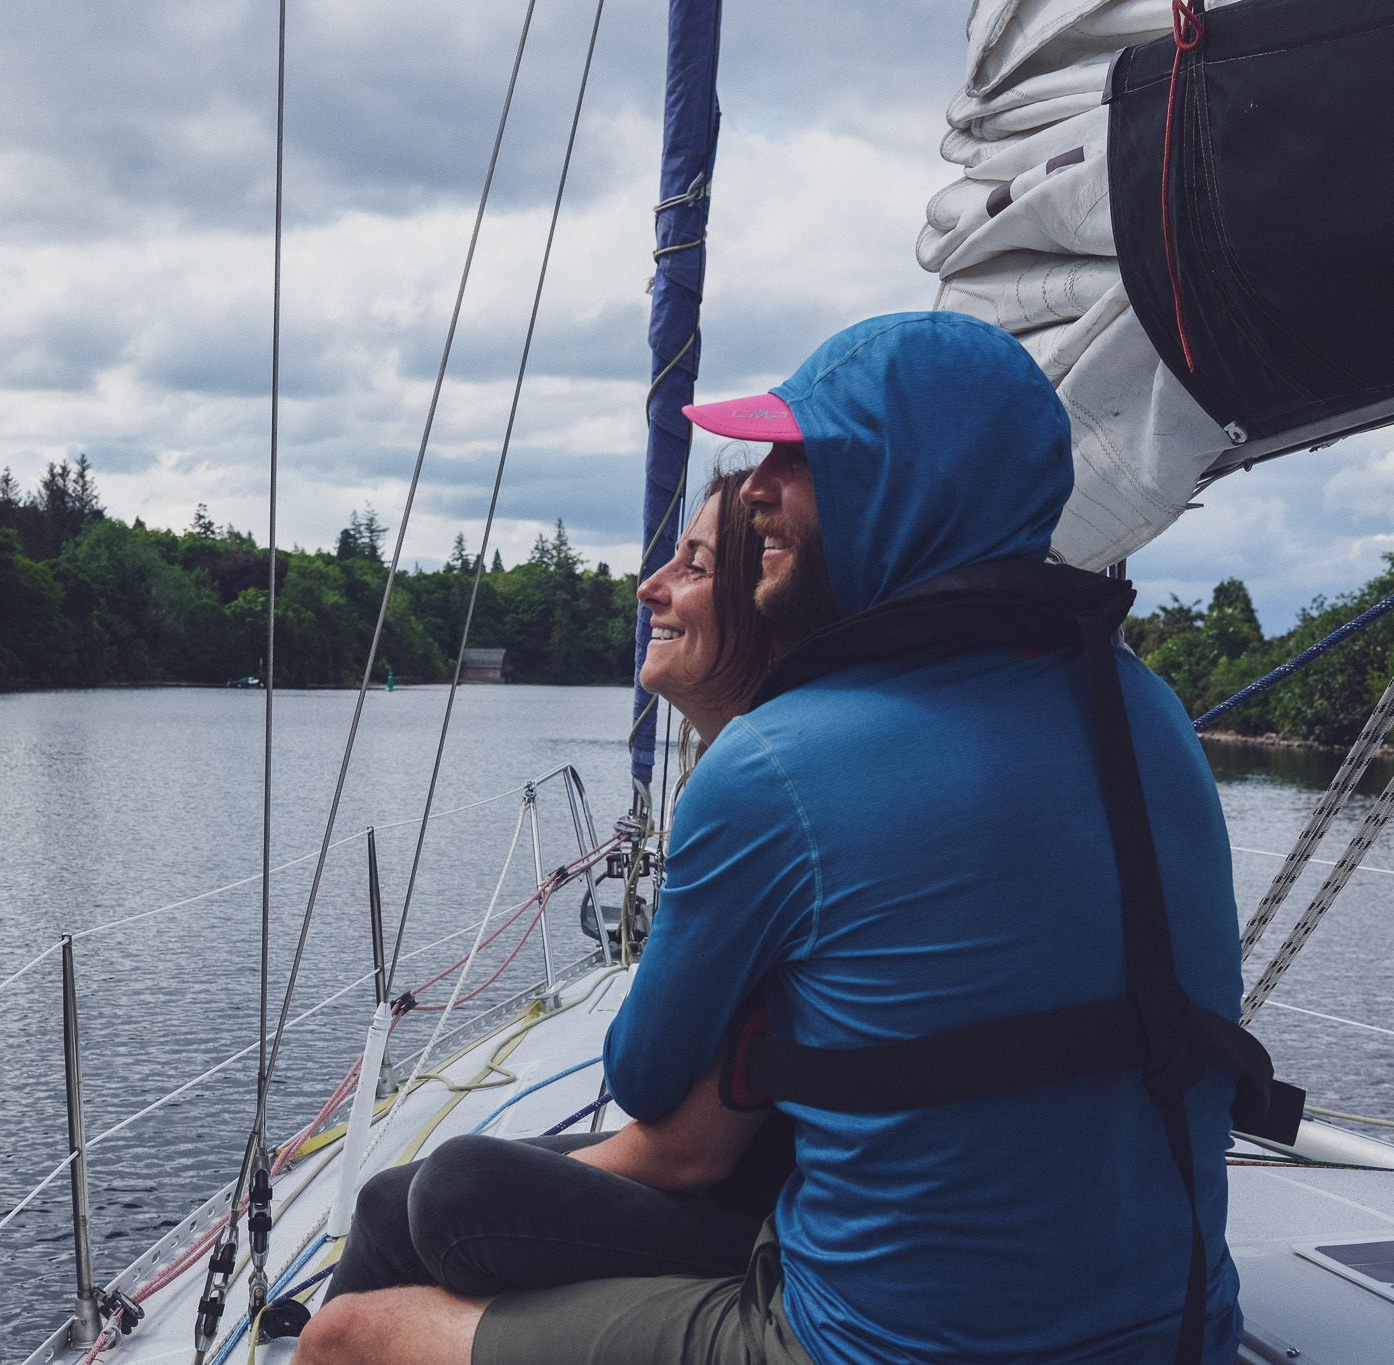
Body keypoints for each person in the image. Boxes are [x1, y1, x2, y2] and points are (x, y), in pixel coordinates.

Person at [298, 311, 1255, 1365]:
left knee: (349, 1337)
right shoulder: (1148, 711)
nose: (756, 487)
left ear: (901, 482)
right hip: (1181, 1333)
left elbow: (645, 1080)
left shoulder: (781, 760)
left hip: (878, 1350)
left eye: (797, 457)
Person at [314, 470, 791, 1309]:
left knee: (456, 1190)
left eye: (694, 564)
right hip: (743, 1185)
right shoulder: (771, 765)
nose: (649, 587)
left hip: (771, 1223)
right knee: (391, 1201)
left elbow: (666, 1111)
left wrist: (530, 1179)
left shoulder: (758, 788)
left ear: (765, 601)